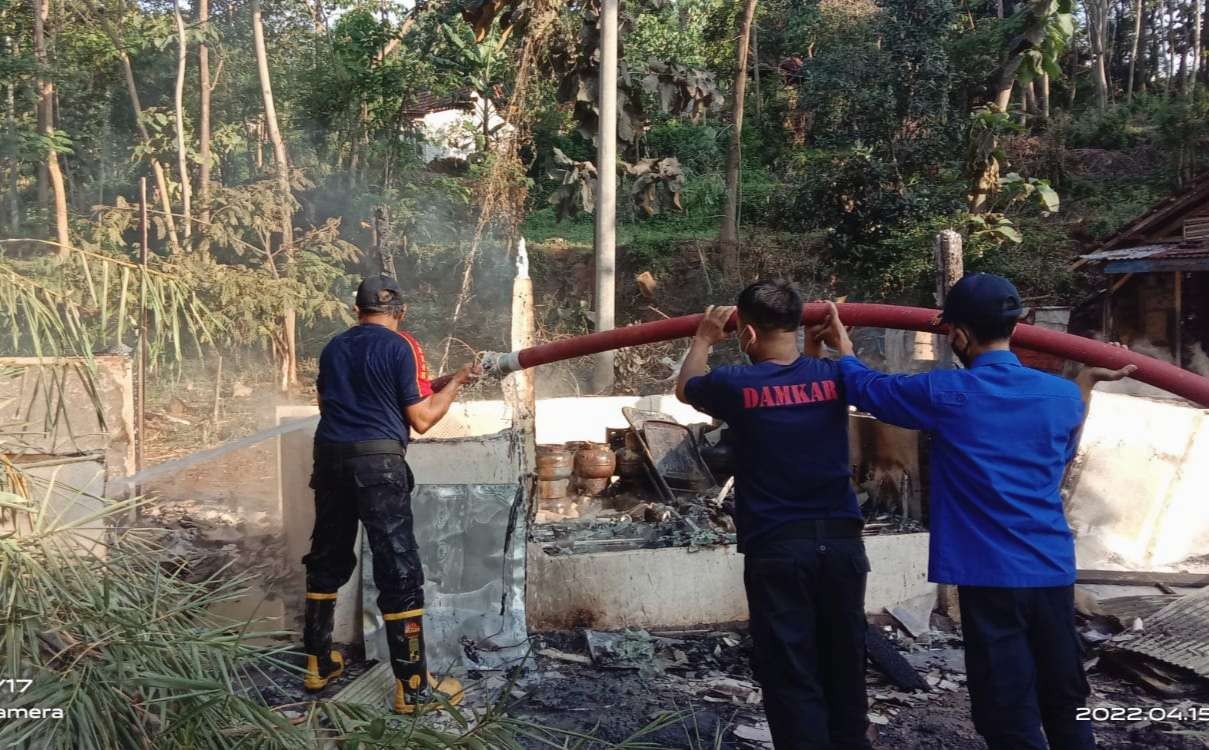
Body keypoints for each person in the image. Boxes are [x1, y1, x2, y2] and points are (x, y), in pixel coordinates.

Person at [815, 273, 1135, 750]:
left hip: (990, 578)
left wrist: (843, 347)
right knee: (1065, 697)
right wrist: (1085, 379)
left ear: (959, 335)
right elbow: (1061, 451)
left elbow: (868, 389)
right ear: (1017, 323)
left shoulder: (946, 393)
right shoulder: (1063, 396)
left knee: (1007, 710)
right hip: (1050, 571)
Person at [676, 280, 872, 750]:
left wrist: (703, 337)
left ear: (745, 334)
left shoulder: (735, 384)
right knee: (845, 665)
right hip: (843, 545)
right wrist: (831, 347)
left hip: (778, 550)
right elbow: (828, 383)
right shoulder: (836, 375)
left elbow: (686, 389)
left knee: (791, 671)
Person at [302, 274, 481, 714]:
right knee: (398, 567)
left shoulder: (333, 348)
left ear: (356, 310)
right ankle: (415, 689)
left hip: (330, 458)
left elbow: (333, 406)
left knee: (327, 556)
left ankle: (318, 664)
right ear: (400, 312)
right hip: (378, 465)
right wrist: (455, 384)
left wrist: (429, 386)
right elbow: (420, 419)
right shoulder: (403, 347)